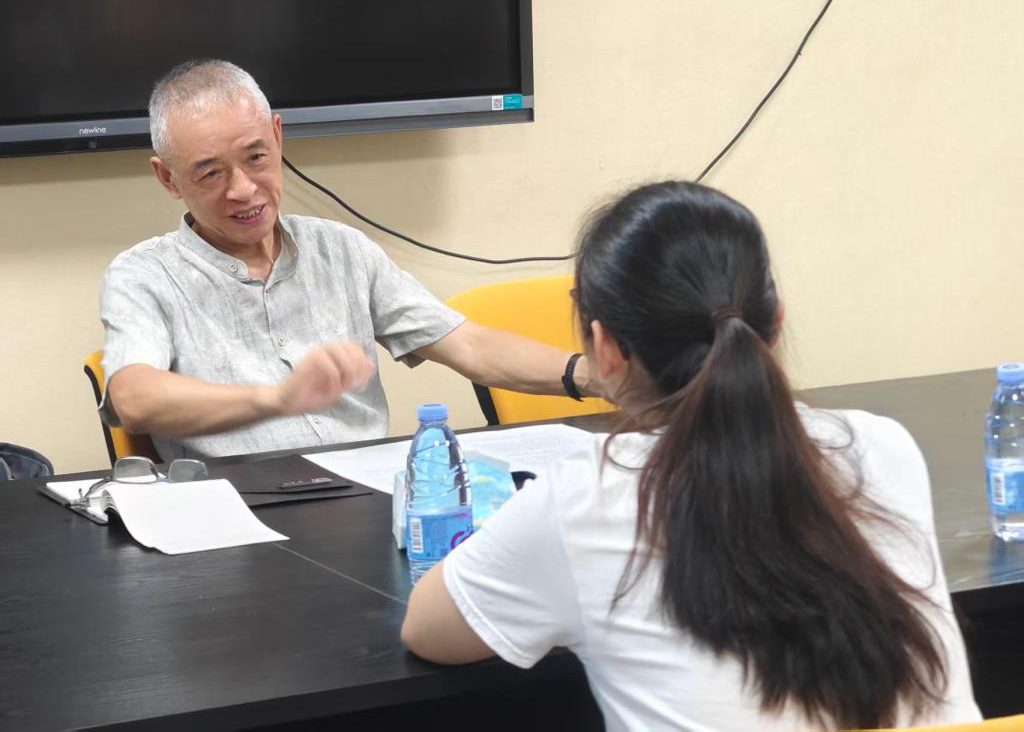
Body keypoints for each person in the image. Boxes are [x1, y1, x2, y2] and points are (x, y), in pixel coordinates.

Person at [401, 181, 981, 730]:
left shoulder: (588, 493)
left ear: (604, 350)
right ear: (775, 323)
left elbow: (428, 630)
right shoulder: (879, 445)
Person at [100, 59, 597, 461]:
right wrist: (277, 399)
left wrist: (594, 375)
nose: (244, 189)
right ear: (168, 179)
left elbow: (468, 344)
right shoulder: (143, 276)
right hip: (234, 508)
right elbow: (134, 398)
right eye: (211, 174)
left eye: (256, 157)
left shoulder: (342, 250)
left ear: (277, 136)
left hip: (365, 492)